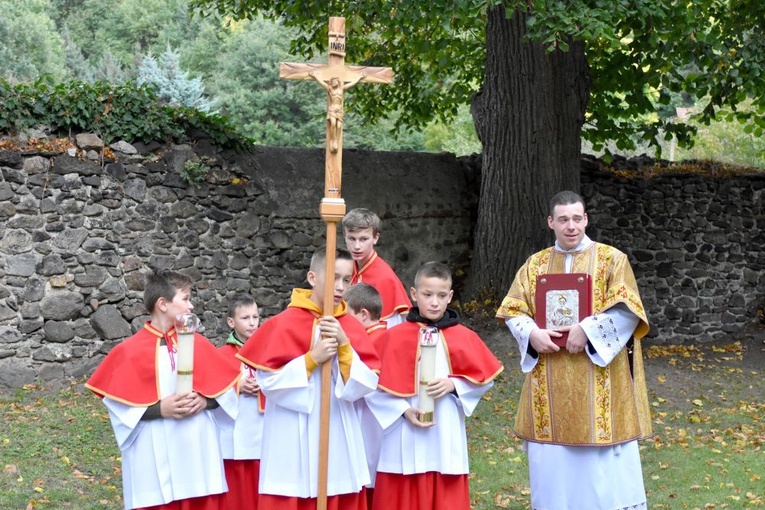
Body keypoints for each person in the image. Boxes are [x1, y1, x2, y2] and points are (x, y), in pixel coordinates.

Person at [496, 190, 653, 510]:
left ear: (586, 219)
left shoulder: (612, 259)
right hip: (549, 376)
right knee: (556, 473)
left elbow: (628, 310)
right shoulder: (535, 264)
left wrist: (588, 330)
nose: (571, 226)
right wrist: (532, 333)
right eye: (563, 219)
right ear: (551, 222)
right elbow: (513, 309)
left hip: (599, 376)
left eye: (577, 218)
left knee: (601, 473)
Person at [237, 247, 380, 510]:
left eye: (347, 280)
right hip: (290, 433)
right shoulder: (283, 324)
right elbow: (268, 382)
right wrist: (310, 360)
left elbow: (366, 384)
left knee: (339, 490)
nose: (340, 287)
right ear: (312, 278)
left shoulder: (349, 326)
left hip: (338, 430)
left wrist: (345, 349)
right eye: (334, 277)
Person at [85, 269, 240, 510]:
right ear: (163, 304)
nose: (191, 306)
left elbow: (226, 395)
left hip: (197, 449)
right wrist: (160, 409)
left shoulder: (198, 343)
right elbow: (120, 410)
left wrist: (205, 401)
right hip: (152, 450)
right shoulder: (129, 352)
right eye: (185, 299)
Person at [366, 261, 503, 510]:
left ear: (450, 296)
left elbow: (484, 379)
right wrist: (402, 410)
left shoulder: (465, 336)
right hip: (403, 431)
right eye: (427, 295)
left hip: (445, 429)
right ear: (414, 294)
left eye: (441, 296)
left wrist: (454, 385)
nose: (434, 302)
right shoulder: (392, 337)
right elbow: (370, 386)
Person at [217, 295, 263, 509]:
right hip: (236, 437)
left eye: (255, 316)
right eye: (245, 317)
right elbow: (212, 390)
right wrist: (238, 386)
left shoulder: (269, 352)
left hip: (264, 433)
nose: (252, 322)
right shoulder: (221, 356)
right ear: (231, 322)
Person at [343, 282, 385, 508]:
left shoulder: (373, 341)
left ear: (363, 314)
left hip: (370, 422)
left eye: (346, 314)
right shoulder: (381, 334)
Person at [342, 208, 412, 328]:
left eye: (363, 239)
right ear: (345, 237)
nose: (357, 246)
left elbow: (391, 327)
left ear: (375, 238)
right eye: (352, 239)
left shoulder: (385, 278)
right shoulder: (348, 269)